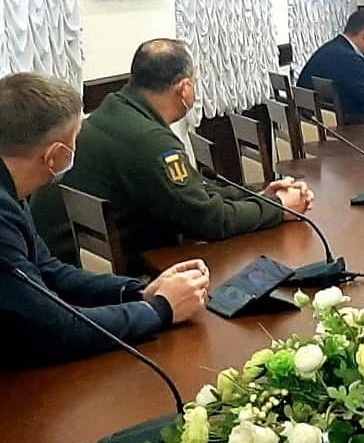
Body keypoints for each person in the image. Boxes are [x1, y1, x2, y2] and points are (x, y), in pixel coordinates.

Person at [31, 40, 313, 273]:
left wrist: (260, 196)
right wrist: (278, 208)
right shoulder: (150, 141)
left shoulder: (116, 110)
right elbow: (211, 221)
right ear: (184, 88)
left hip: (64, 266)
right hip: (111, 281)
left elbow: (195, 190)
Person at [0, 72, 210, 369]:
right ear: (55, 155)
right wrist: (160, 309)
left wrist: (139, 291)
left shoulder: (11, 191)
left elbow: (49, 270)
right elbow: (56, 328)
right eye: (75, 142)